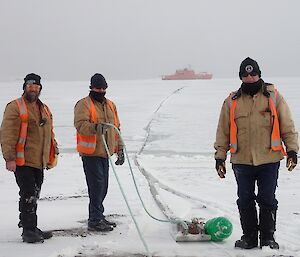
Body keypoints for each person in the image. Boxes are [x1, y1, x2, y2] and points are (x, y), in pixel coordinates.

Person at [214, 57, 298, 250]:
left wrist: (292, 150)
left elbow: (287, 126)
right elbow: (223, 131)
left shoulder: (274, 97)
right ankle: (249, 237)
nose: (250, 77)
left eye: (253, 74)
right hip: (242, 160)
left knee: (267, 198)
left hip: (269, 159)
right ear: (241, 76)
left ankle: (268, 238)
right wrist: (220, 157)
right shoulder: (231, 101)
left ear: (259, 74)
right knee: (245, 199)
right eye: (246, 74)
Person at [0, 73, 59, 243]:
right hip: (22, 160)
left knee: (35, 193)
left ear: (40, 89)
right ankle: (28, 231)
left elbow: (49, 133)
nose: (33, 90)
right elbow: (7, 134)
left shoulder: (44, 108)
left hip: (39, 160)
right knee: (28, 194)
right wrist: (9, 158)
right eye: (30, 86)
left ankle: (32, 226)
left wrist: (52, 153)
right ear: (24, 87)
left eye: (36, 87)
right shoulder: (15, 107)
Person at [74, 73, 124, 232]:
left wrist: (120, 148)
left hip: (105, 152)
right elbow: (80, 125)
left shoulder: (111, 105)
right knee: (96, 187)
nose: (100, 91)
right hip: (91, 153)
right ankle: (94, 220)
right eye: (97, 88)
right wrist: (96, 128)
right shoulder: (83, 104)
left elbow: (117, 128)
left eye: (103, 88)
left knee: (103, 187)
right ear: (91, 87)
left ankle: (99, 216)